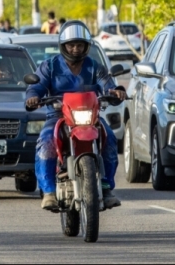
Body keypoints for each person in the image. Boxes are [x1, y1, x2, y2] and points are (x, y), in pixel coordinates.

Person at [26, 20, 126, 211]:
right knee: (46, 140)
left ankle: (106, 187)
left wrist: (116, 91)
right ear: (63, 46)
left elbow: (108, 84)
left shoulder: (94, 67)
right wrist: (32, 97)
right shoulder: (50, 66)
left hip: (90, 117)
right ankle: (48, 192)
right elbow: (36, 87)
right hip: (58, 115)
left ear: (86, 46)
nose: (75, 49)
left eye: (79, 45)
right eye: (71, 45)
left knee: (110, 138)